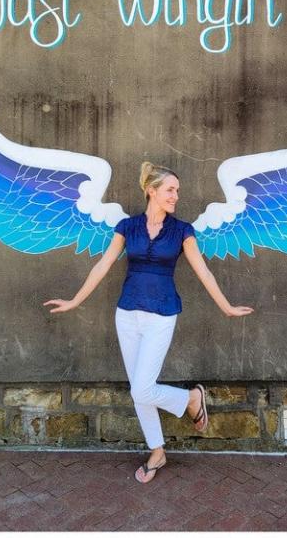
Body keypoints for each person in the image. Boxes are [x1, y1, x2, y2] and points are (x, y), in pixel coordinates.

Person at [44, 162, 255, 483]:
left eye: (177, 191)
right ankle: (158, 450)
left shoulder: (182, 231)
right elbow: (102, 265)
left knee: (142, 388)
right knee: (139, 390)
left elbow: (204, 271)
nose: (175, 196)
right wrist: (75, 300)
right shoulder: (127, 227)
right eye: (170, 190)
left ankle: (190, 400)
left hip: (162, 315)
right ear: (151, 191)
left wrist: (225, 306)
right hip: (127, 314)